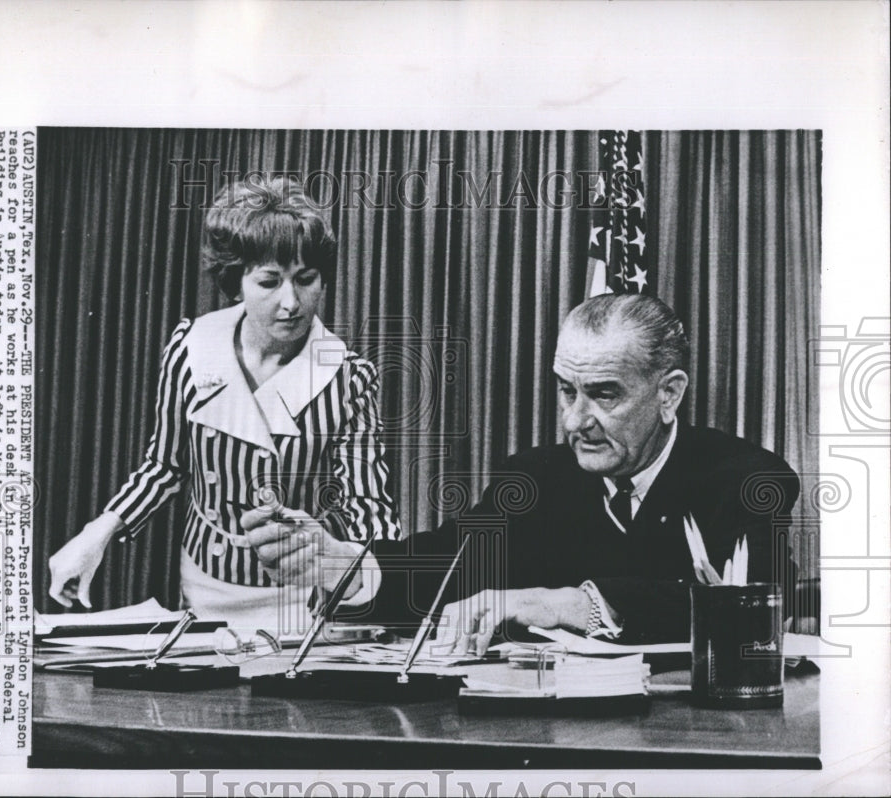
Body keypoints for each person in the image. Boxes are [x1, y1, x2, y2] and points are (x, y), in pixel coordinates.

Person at [47, 177, 401, 636]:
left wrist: (349, 562)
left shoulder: (349, 378)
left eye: (306, 279)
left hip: (300, 601)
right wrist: (98, 533)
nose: (291, 302)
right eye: (269, 282)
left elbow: (369, 508)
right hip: (202, 588)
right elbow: (164, 466)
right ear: (236, 282)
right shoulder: (192, 348)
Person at [383, 293, 799, 651]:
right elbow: (452, 561)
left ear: (668, 393)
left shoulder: (745, 479)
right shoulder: (536, 476)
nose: (574, 421)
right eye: (567, 391)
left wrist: (563, 604)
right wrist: (348, 569)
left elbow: (759, 602)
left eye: (603, 394)